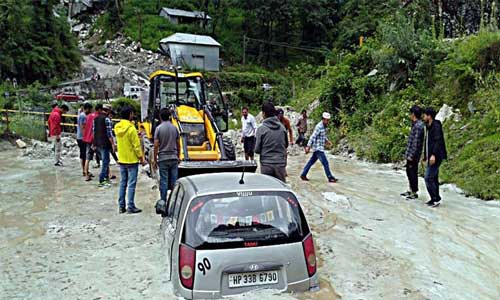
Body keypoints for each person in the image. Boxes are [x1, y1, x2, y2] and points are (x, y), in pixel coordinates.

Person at [115, 106, 145, 214]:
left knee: (123, 183)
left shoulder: (117, 127)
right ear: (129, 115)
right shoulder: (131, 129)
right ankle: (130, 206)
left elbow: (124, 139)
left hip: (122, 159)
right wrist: (141, 158)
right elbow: (136, 146)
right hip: (132, 160)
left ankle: (121, 206)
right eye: (132, 113)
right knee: (131, 184)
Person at [255, 102, 288, 182]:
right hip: (280, 164)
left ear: (263, 114)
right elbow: (286, 145)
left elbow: (257, 150)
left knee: (268, 189)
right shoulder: (282, 128)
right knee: (280, 188)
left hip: (266, 165)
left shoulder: (261, 129)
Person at [300, 112, 338, 183]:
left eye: (328, 120)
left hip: (318, 148)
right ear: (323, 119)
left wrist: (327, 141)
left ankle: (303, 174)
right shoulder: (319, 126)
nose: (328, 121)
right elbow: (312, 137)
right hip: (318, 148)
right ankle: (330, 177)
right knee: (325, 163)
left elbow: (322, 136)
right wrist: (308, 146)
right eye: (327, 120)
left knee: (311, 162)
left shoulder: (323, 126)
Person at [153, 108, 180, 202]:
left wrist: (155, 159)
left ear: (160, 117)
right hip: (173, 158)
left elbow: (156, 146)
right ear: (169, 116)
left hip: (163, 159)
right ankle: (174, 202)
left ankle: (163, 202)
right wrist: (178, 156)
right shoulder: (175, 128)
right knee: (174, 182)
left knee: (164, 182)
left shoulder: (158, 129)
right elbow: (178, 144)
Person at [423, 107, 447, 207]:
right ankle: (436, 198)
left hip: (436, 156)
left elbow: (438, 141)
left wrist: (433, 155)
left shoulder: (436, 126)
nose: (423, 117)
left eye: (424, 116)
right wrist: (425, 156)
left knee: (428, 178)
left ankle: (434, 198)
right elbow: (427, 143)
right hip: (431, 156)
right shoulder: (429, 126)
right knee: (434, 178)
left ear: (429, 116)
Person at [400, 105, 425, 200]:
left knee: (412, 172)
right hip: (411, 153)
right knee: (409, 171)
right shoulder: (415, 124)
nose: (410, 115)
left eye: (411, 113)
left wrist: (411, 155)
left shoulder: (419, 126)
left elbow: (416, 142)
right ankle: (410, 189)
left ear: (413, 114)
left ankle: (414, 192)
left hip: (414, 154)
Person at [93, 104, 115, 187]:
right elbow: (109, 134)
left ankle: (106, 178)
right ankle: (102, 180)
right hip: (105, 143)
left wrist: (94, 143)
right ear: (108, 110)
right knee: (105, 163)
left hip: (97, 143)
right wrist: (113, 144)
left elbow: (94, 131)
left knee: (104, 161)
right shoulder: (107, 119)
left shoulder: (95, 119)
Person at [77, 103, 92, 176]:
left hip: (81, 137)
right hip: (82, 138)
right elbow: (82, 127)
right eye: (90, 109)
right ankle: (84, 171)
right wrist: (85, 137)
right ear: (87, 109)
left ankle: (85, 170)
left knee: (83, 154)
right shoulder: (83, 116)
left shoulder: (82, 115)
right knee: (83, 155)